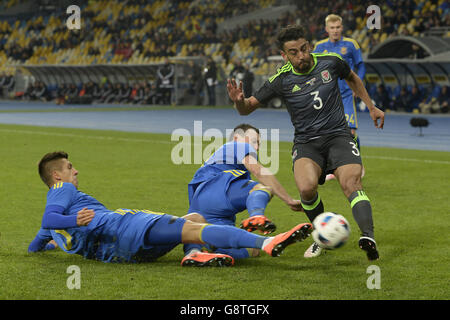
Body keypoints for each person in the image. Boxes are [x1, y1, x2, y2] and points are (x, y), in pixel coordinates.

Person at [227, 25, 385, 260]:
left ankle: (368, 236)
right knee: (306, 189)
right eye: (294, 52)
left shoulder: (331, 62)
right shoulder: (281, 79)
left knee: (351, 182)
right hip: (307, 143)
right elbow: (246, 109)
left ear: (309, 46)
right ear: (284, 56)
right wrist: (239, 101)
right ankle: (322, 236)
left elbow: (352, 77)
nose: (301, 55)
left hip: (338, 136)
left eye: (304, 49)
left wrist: (371, 106)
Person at [28, 151, 312, 267]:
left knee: (196, 219)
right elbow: (51, 216)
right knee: (197, 228)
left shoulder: (52, 227)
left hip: (122, 254)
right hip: (123, 227)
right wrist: (73, 217)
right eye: (68, 167)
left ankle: (195, 255)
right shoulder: (62, 190)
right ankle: (267, 242)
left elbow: (36, 245)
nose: (75, 171)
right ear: (56, 175)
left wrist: (53, 245)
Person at [183, 124, 304, 261]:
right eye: (254, 141)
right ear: (236, 138)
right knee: (264, 188)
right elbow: (259, 171)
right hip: (215, 190)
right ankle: (257, 217)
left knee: (239, 255)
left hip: (201, 208)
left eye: (258, 144)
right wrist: (289, 200)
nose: (257, 147)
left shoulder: (222, 162)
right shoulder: (237, 146)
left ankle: (196, 251)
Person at [314, 14, 367, 180]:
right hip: (327, 96)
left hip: (345, 95)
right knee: (327, 132)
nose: (335, 30)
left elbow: (361, 65)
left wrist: (357, 86)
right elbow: (313, 69)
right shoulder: (319, 47)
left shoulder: (351, 44)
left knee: (350, 131)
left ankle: (358, 165)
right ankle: (332, 168)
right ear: (327, 29)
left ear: (341, 28)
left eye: (338, 27)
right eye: (332, 28)